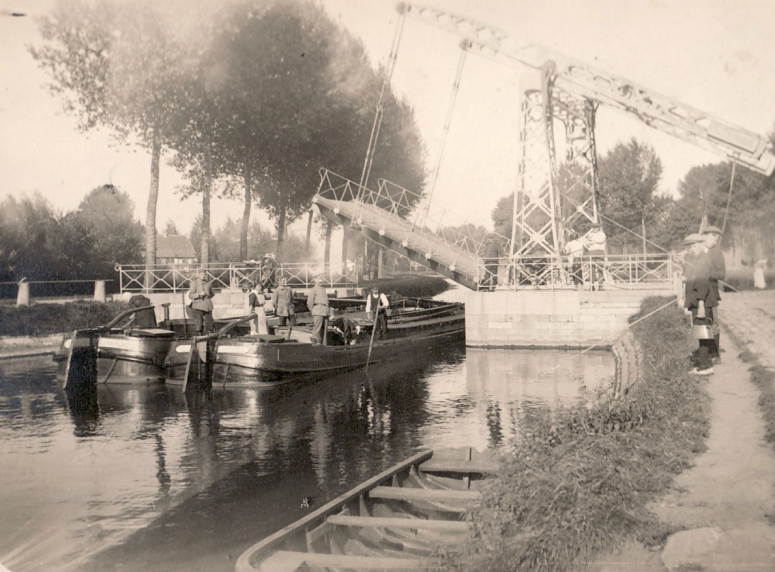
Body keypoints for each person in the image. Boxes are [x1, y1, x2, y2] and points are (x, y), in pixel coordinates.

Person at [684, 235, 717, 375]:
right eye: (689, 247)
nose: (690, 249)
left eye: (692, 246)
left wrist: (702, 305)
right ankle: (706, 362)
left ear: (698, 245)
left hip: (701, 303)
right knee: (702, 333)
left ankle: (705, 366)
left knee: (703, 334)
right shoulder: (697, 259)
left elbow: (703, 284)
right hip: (697, 302)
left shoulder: (703, 260)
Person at [702, 225, 725, 362]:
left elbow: (722, 274)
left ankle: (715, 354)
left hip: (711, 294)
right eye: (712, 236)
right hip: (698, 293)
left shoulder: (717, 253)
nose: (714, 240)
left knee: (713, 322)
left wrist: (708, 273)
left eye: (716, 237)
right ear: (704, 236)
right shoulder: (699, 252)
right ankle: (705, 352)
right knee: (702, 322)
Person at [187, 270, 215, 334]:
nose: (203, 276)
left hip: (208, 305)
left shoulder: (208, 283)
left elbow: (213, 293)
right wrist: (199, 294)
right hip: (198, 305)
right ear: (198, 275)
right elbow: (190, 295)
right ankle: (200, 336)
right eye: (201, 274)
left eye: (204, 274)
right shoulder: (194, 283)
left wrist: (207, 297)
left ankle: (211, 337)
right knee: (199, 323)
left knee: (210, 322)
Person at [307, 275, 330, 345]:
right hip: (318, 311)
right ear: (315, 280)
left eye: (321, 278)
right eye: (319, 278)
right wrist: (313, 310)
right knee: (317, 330)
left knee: (325, 331)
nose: (321, 279)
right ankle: (315, 346)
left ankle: (324, 345)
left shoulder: (323, 289)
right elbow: (309, 302)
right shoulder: (313, 289)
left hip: (325, 311)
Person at [584, 224, 607, 290]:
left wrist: (592, 241)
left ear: (598, 228)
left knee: (600, 269)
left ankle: (600, 286)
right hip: (591, 251)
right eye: (593, 227)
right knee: (591, 269)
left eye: (595, 227)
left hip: (599, 251)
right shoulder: (591, 234)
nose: (594, 229)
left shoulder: (602, 234)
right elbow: (586, 242)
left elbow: (600, 240)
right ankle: (591, 286)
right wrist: (591, 241)